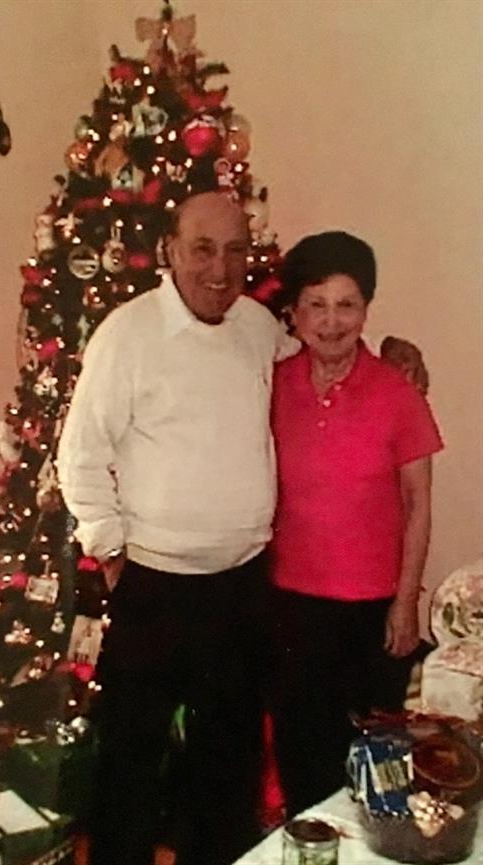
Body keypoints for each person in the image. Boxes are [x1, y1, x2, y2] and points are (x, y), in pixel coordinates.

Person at [57, 193, 427, 865]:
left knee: (224, 759)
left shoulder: (257, 326)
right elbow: (78, 456)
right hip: (155, 581)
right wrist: (111, 552)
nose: (220, 269)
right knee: (130, 758)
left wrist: (390, 352)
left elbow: (324, 341)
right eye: (203, 248)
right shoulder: (127, 334)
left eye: (235, 251)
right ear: (171, 249)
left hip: (241, 586)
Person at [269, 231, 443, 817]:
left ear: (366, 308)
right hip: (291, 603)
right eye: (316, 304)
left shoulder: (398, 393)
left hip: (373, 609)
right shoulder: (273, 385)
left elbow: (418, 506)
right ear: (293, 314)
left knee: (377, 762)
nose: (332, 320)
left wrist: (405, 605)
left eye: (347, 304)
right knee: (302, 754)